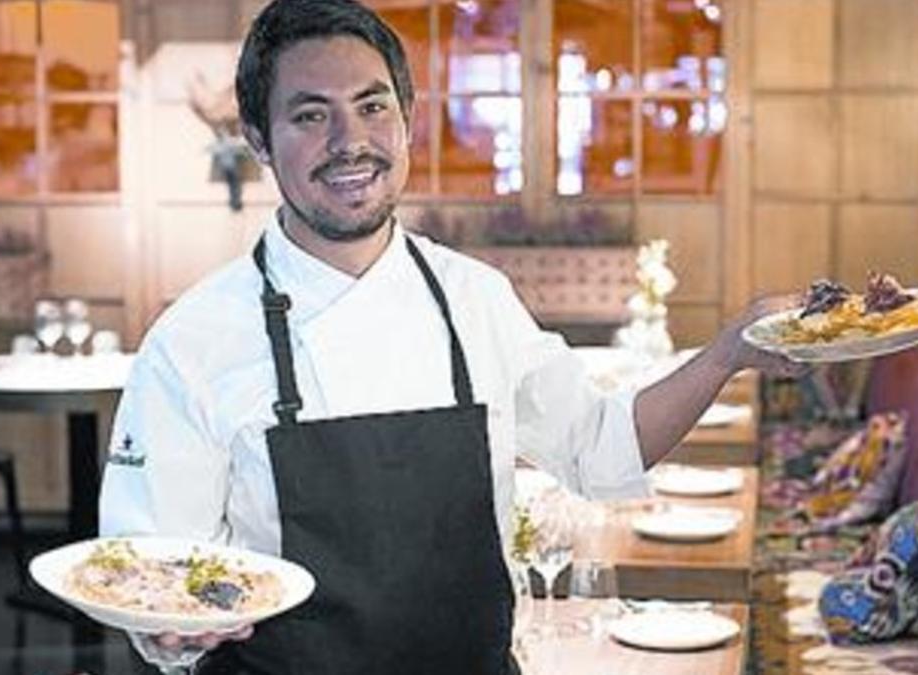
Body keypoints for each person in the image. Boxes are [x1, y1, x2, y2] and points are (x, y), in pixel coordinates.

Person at [98, 0, 805, 672]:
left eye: (372, 106)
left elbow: (599, 446)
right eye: (311, 116)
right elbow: (154, 569)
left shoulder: (476, 299)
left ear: (406, 120)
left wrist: (727, 352)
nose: (351, 142)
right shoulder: (192, 341)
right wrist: (169, 627)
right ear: (256, 139)